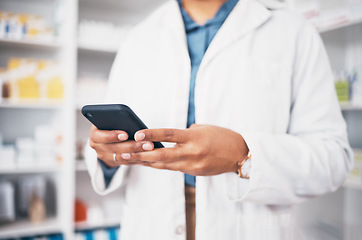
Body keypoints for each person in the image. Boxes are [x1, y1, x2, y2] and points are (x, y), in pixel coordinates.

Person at [85, 0, 353, 239]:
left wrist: (242, 154)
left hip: (249, 224)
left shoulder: (292, 31)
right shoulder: (139, 37)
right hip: (152, 223)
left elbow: (333, 159)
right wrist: (109, 156)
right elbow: (111, 139)